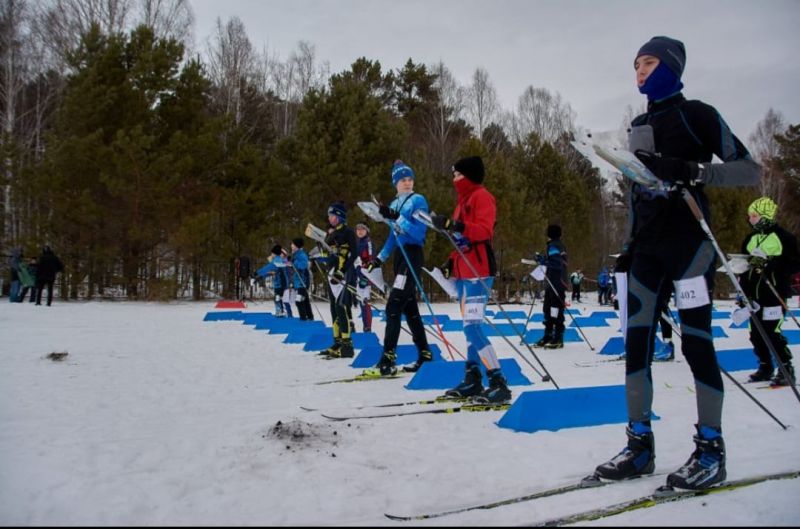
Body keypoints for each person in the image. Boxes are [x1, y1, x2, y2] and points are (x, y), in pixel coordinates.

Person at [594, 36, 761, 491]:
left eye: (648, 62)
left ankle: (710, 450)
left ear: (670, 66)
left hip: (690, 246)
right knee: (636, 344)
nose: (640, 72)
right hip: (647, 249)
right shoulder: (639, 124)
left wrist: (694, 171)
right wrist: (627, 246)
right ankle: (639, 446)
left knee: (697, 344)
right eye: (635, 65)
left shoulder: (698, 114)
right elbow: (638, 189)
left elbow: (749, 169)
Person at [432, 156, 512, 403]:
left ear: (469, 176)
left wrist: (455, 225)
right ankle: (473, 378)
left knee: (472, 326)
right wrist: (449, 261)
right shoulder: (462, 200)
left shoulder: (482, 196)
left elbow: (483, 231)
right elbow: (459, 239)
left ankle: (498, 381)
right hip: (463, 271)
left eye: (458, 175)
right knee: (469, 328)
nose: (454, 179)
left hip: (479, 270)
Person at [364, 160, 433, 375]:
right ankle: (425, 354)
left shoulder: (418, 200)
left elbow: (419, 233)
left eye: (410, 179)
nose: (407, 183)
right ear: (395, 182)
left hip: (413, 254)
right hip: (400, 258)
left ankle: (388, 358)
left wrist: (397, 217)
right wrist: (379, 259)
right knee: (409, 308)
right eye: (402, 180)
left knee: (393, 306)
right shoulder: (394, 203)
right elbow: (392, 237)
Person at [738, 196, 798, 386]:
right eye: (750, 216)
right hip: (753, 295)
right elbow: (745, 265)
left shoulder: (783, 237)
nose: (750, 219)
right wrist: (742, 290)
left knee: (772, 332)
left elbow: (794, 264)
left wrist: (769, 264)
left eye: (754, 216)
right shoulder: (751, 238)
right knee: (756, 333)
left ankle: (786, 367)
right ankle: (765, 366)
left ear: (765, 216)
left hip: (773, 293)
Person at [320, 201, 357, 358]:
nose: (329, 218)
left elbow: (353, 254)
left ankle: (347, 346)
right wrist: (321, 254)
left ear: (339, 216)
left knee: (341, 307)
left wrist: (342, 271)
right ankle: (337, 342)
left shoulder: (348, 232)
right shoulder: (332, 233)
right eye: (329, 215)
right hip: (331, 274)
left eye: (332, 215)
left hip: (344, 274)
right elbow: (326, 254)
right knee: (334, 308)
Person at [533, 224, 568, 349]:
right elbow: (555, 260)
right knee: (547, 308)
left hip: (557, 282)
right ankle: (548, 335)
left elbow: (557, 263)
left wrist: (542, 260)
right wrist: (543, 259)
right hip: (552, 282)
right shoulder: (556, 244)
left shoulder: (554, 245)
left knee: (555, 310)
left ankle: (558, 337)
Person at [255, 245, 291, 318]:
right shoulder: (279, 260)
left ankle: (280, 312)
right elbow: (273, 272)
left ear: (274, 253)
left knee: (277, 297)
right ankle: (281, 312)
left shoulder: (276, 261)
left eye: (272, 253)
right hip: (281, 282)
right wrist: (261, 276)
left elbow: (267, 268)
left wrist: (257, 273)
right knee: (278, 297)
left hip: (280, 283)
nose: (271, 254)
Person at [354, 223, 375, 332]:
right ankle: (365, 326)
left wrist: (366, 276)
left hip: (366, 276)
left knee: (365, 302)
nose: (360, 231)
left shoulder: (368, 242)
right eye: (358, 229)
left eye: (362, 229)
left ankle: (367, 327)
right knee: (361, 302)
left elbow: (371, 259)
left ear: (367, 231)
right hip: (358, 275)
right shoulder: (358, 243)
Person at [290, 238, 314, 321]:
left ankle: (303, 319)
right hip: (298, 282)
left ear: (297, 246)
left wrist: (294, 262)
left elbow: (303, 266)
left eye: (293, 244)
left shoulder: (302, 255)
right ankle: (310, 317)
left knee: (299, 301)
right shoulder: (296, 254)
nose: (291, 246)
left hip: (303, 282)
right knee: (305, 300)